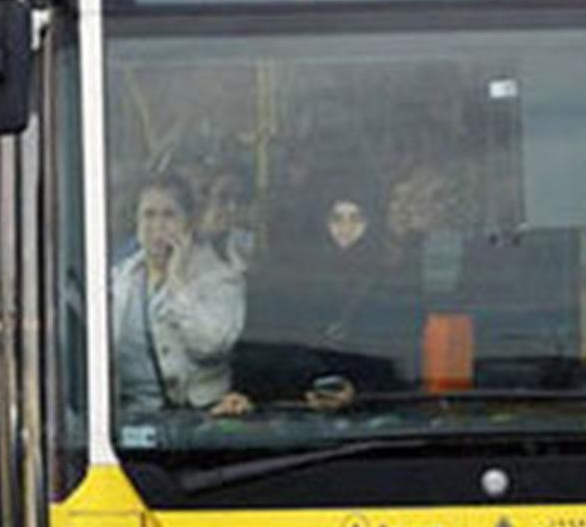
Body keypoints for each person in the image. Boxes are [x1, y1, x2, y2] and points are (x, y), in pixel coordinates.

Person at [216, 187, 408, 415]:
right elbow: (261, 352)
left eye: (356, 219)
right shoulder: (287, 278)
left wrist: (357, 392)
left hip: (369, 428)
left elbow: (395, 361)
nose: (346, 229)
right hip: (294, 418)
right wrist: (244, 394)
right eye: (336, 219)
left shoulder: (390, 281)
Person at [111, 175, 245, 412]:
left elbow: (211, 345)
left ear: (189, 223)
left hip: (195, 416)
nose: (157, 225)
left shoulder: (220, 276)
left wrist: (177, 282)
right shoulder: (120, 276)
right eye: (149, 214)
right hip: (127, 416)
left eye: (169, 215)